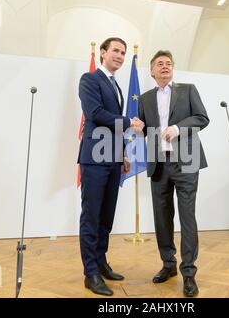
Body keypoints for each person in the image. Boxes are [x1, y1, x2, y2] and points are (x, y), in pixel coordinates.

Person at [138, 50, 209, 297]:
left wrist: (179, 128)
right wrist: (136, 128)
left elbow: (202, 118)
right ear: (152, 71)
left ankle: (188, 273)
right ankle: (168, 265)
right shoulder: (145, 98)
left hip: (186, 162)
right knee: (162, 217)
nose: (165, 66)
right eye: (160, 64)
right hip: (159, 164)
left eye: (169, 63)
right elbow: (143, 128)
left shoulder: (188, 90)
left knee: (187, 217)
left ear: (173, 69)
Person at [78, 37, 144, 296]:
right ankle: (90, 273)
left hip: (113, 158)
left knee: (106, 216)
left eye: (123, 52)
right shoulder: (90, 79)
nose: (120, 55)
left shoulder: (115, 85)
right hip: (94, 157)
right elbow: (95, 114)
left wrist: (123, 154)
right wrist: (130, 121)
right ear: (103, 52)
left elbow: (113, 127)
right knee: (91, 216)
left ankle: (101, 262)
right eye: (115, 50)